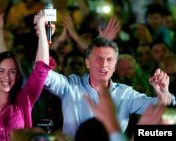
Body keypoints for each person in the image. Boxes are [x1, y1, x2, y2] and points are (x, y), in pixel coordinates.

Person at [44, 37, 176, 138]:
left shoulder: (125, 93)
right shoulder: (70, 86)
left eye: (109, 60)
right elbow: (42, 73)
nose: (104, 65)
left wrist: (163, 94)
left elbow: (159, 108)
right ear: (87, 63)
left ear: (115, 65)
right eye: (99, 59)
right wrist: (44, 37)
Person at [0, 9, 52, 141]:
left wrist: (42, 32)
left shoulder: (23, 100)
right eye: (1, 71)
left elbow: (41, 69)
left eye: (12, 72)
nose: (6, 76)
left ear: (18, 76)